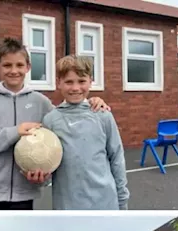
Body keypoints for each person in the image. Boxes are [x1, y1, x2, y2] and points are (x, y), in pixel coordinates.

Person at [0, 38, 109, 210]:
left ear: (28, 67)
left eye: (19, 65)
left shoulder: (40, 102)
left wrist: (91, 102)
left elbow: (65, 120)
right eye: (7, 65)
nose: (14, 71)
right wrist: (16, 131)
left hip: (24, 194)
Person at [28, 55, 129, 210]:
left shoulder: (103, 115)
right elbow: (47, 166)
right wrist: (41, 178)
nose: (75, 88)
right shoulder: (51, 120)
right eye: (69, 82)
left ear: (90, 81)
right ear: (59, 83)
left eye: (81, 81)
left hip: (105, 203)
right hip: (67, 206)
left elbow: (117, 158)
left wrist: (122, 200)